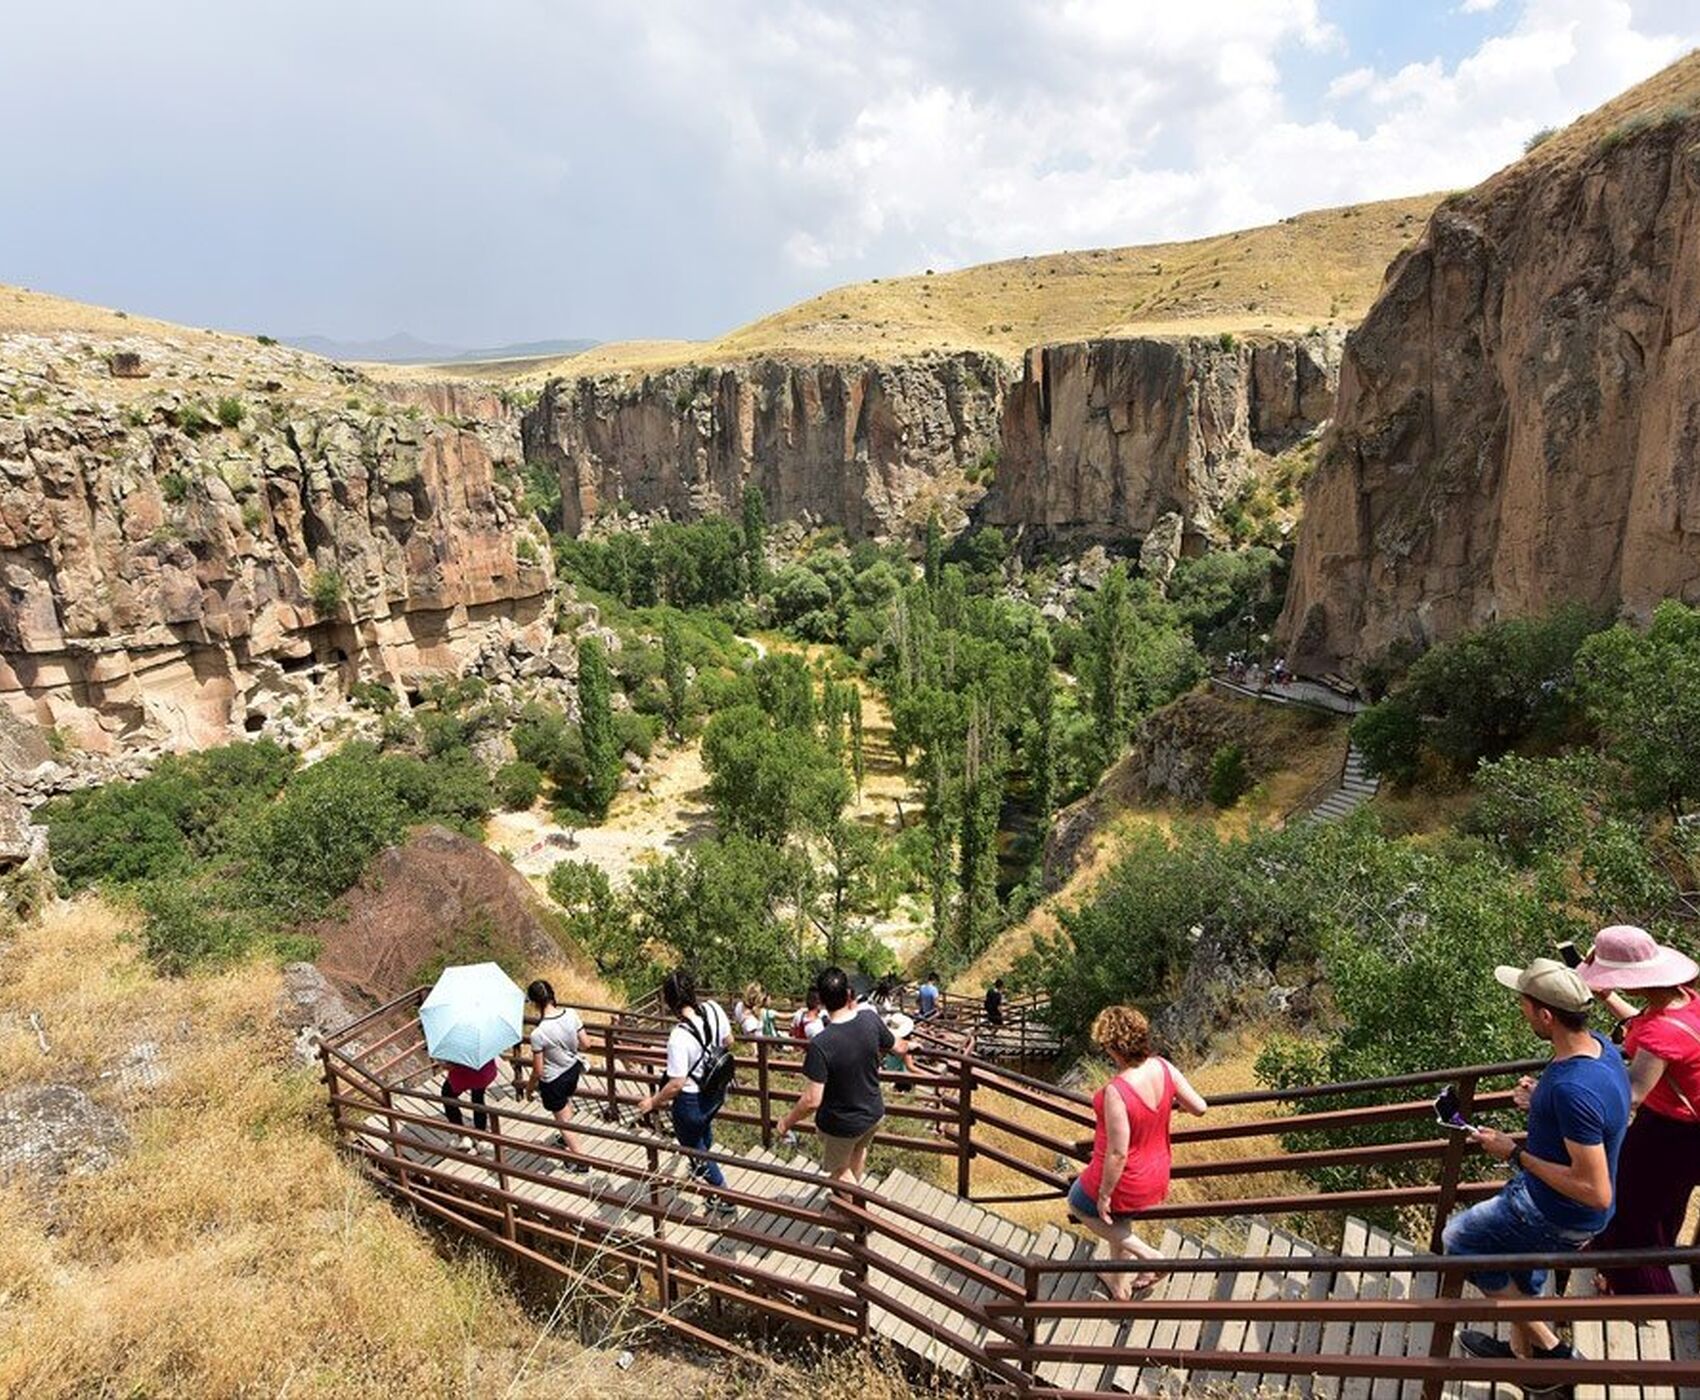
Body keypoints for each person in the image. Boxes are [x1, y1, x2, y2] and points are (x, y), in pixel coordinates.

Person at [1445, 958, 1630, 1373]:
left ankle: (1554, 1354)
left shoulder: (1572, 1090)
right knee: (1519, 1265)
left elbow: (1595, 1189)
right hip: (1557, 1206)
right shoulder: (1599, 1049)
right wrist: (1540, 1097)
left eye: (1524, 1005)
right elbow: (1592, 1111)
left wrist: (1513, 1152)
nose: (1521, 1010)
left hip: (1556, 1211)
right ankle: (1521, 1357)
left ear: (1546, 1015)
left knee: (1459, 1241)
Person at [1575, 925, 1700, 1295]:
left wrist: (1567, 1097)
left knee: (1630, 1213)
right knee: (1663, 1207)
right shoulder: (1684, 1000)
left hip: (1669, 1134)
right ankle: (1638, 1275)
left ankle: (1643, 1294)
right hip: (1686, 1133)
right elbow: (1643, 1026)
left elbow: (1631, 1093)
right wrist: (1609, 996)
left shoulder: (1661, 1035)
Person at [1066, 1005, 1207, 1299]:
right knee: (1118, 1219)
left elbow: (1118, 1153)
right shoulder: (1164, 1067)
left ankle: (1150, 1256)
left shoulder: (1116, 1091)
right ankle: (1119, 1285)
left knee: (1078, 1203)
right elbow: (1199, 1107)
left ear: (1112, 1048)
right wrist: (1164, 1106)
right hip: (1156, 1171)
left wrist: (1103, 1194)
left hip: (1126, 1177)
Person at [776, 965, 911, 1186]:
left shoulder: (821, 1044)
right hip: (873, 1112)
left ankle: (857, 1213)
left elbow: (812, 1100)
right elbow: (898, 1046)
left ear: (820, 1001)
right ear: (849, 994)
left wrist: (786, 1123)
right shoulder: (869, 1019)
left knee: (839, 1171)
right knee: (860, 1150)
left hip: (841, 1124)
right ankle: (849, 1207)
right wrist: (911, 1044)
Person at [636, 969, 737, 1221]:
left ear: (670, 1002)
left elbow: (676, 1084)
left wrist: (652, 1102)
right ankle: (703, 1164)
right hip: (714, 1091)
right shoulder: (714, 1009)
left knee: (694, 1148)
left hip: (691, 1100)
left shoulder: (678, 1037)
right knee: (702, 1134)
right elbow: (729, 1041)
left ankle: (724, 1197)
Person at [525, 979, 591, 1174]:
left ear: (535, 1003)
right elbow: (586, 1043)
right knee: (564, 1104)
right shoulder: (571, 1014)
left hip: (554, 1080)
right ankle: (565, 1137)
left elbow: (538, 1070)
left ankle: (581, 1162)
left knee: (561, 1120)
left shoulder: (539, 1033)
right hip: (572, 1070)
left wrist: (529, 1088)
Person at [440, 1056, 500, 1157]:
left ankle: (463, 1136)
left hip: (463, 1075)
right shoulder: (479, 1041)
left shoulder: (454, 1047)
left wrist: (443, 1065)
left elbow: (450, 1066)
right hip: (484, 1072)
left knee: (448, 1096)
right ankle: (481, 1137)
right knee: (478, 1099)